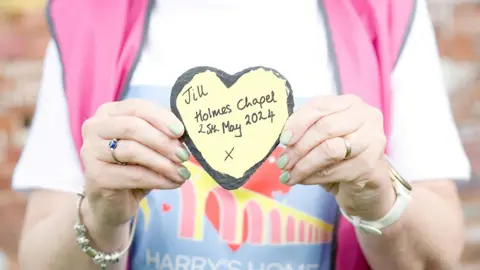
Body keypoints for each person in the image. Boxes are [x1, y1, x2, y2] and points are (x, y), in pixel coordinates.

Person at [13, 0, 471, 269]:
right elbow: (36, 254)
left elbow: (442, 252)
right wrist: (100, 214)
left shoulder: (385, 10)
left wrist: (378, 196)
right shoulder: (86, 15)